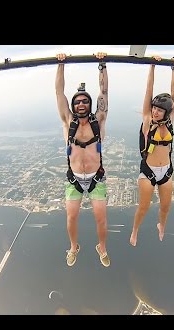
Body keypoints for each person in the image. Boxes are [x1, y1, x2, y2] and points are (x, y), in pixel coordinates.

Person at [55, 52, 110, 267]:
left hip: (96, 178)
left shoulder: (99, 120)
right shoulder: (68, 121)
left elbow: (104, 92)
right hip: (74, 178)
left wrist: (102, 65)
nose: (80, 105)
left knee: (101, 219)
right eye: (77, 102)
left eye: (84, 102)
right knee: (71, 219)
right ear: (73, 105)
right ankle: (73, 247)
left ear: (89, 104)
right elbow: (59, 92)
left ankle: (102, 248)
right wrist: (61, 65)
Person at [130, 55, 174, 246]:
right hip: (149, 170)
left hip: (166, 170)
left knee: (166, 207)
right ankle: (135, 230)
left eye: (159, 110)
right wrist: (152, 67)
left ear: (167, 112)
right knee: (143, 207)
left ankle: (161, 225)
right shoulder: (147, 121)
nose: (155, 111)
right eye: (154, 108)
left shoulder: (170, 122)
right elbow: (148, 91)